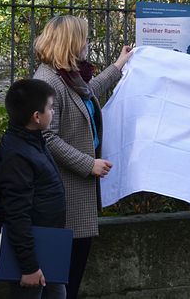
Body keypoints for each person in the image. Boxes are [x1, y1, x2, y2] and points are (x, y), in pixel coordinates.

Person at [32, 15, 131, 299]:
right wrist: (89, 164)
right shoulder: (48, 81)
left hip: (78, 190)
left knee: (72, 274)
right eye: (84, 38)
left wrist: (119, 65)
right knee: (64, 278)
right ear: (71, 43)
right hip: (66, 190)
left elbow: (90, 93)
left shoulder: (69, 75)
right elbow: (47, 137)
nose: (87, 43)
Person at [0, 79, 66, 299]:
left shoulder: (33, 141)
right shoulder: (17, 154)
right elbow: (16, 213)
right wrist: (29, 266)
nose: (52, 112)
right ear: (36, 116)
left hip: (46, 245)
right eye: (51, 108)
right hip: (33, 253)